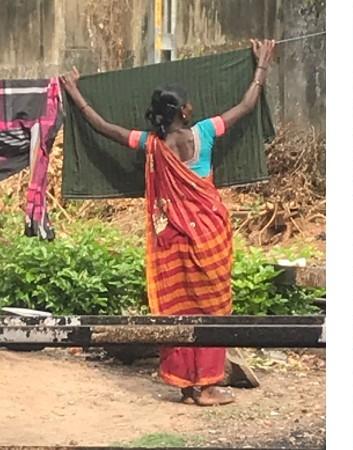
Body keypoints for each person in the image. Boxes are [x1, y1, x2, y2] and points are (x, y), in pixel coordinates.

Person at [60, 39, 277, 405]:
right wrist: (262, 66)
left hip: (172, 240)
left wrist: (75, 93)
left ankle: (187, 386)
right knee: (211, 308)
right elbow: (246, 105)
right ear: (185, 110)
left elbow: (102, 126)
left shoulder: (150, 144)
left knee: (179, 310)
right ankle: (206, 387)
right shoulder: (204, 132)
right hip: (209, 238)